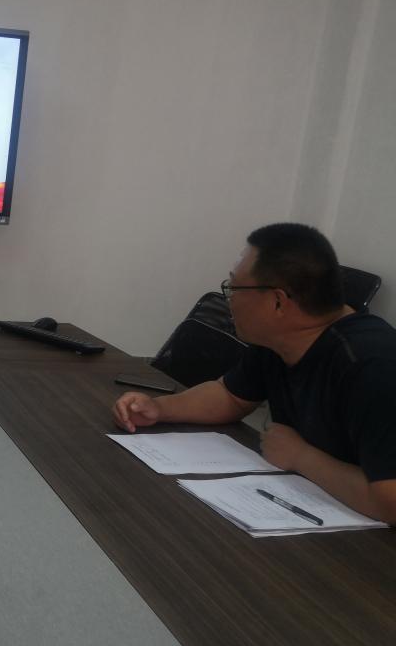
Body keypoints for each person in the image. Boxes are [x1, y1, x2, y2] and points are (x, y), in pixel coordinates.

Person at [112, 223, 396, 524]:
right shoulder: (282, 338)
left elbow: (391, 501)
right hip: (312, 505)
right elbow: (230, 396)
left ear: (278, 302)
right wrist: (158, 409)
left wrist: (302, 457)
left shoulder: (373, 366)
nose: (229, 301)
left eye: (233, 289)